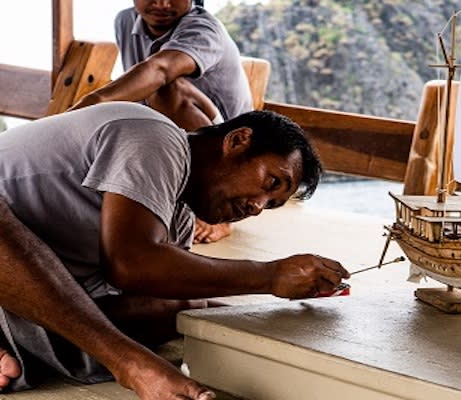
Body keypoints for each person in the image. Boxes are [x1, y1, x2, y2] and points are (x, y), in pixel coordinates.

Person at [0, 102, 350, 399]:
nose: (258, 207)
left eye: (272, 205)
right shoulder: (155, 136)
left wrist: (269, 318)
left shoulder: (178, 219)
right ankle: (130, 365)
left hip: (15, 302)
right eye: (271, 183)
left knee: (186, 309)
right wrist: (270, 275)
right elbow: (131, 265)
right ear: (238, 141)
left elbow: (141, 291)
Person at [71, 0, 254, 243]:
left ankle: (218, 217)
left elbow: (160, 70)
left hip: (229, 148)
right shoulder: (125, 21)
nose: (162, 3)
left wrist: (91, 103)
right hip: (172, 132)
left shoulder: (203, 29)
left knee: (165, 87)